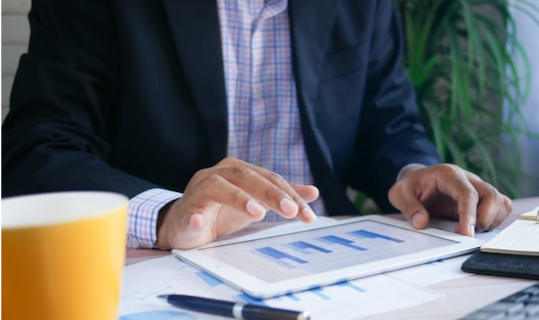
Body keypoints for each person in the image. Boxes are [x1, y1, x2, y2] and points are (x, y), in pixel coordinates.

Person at [0, 0, 512, 250]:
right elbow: (38, 149)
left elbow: (386, 123)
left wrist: (413, 171)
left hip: (335, 256)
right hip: (167, 268)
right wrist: (167, 216)